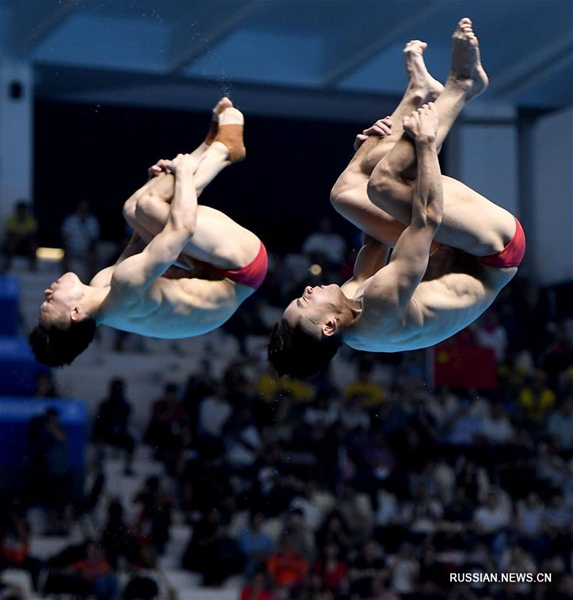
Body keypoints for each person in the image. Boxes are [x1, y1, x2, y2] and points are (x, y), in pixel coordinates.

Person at [269, 19, 525, 379]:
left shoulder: (348, 304)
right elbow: (426, 218)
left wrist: (368, 148)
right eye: (303, 301)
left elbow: (373, 232)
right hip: (494, 253)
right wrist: (424, 144)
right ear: (328, 326)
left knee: (344, 195)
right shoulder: (380, 308)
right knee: (385, 183)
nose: (307, 289)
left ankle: (418, 92)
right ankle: (460, 84)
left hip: (448, 250)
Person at [29, 98, 268, 367]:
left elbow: (141, 241)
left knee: (136, 209)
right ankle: (224, 150)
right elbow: (182, 229)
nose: (47, 293)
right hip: (241, 269)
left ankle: (210, 143)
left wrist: (154, 184)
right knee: (146, 206)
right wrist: (183, 176)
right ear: (75, 312)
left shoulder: (104, 291)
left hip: (212, 276)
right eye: (49, 303)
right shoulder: (124, 286)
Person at [1, 200, 38, 272]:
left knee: (33, 243)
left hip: (25, 245)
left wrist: (20, 235)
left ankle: (32, 265)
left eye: (23, 211)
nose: (21, 213)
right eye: (19, 211)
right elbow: (9, 233)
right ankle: (6, 263)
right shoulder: (10, 220)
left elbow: (31, 233)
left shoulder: (31, 221)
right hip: (14, 244)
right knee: (11, 240)